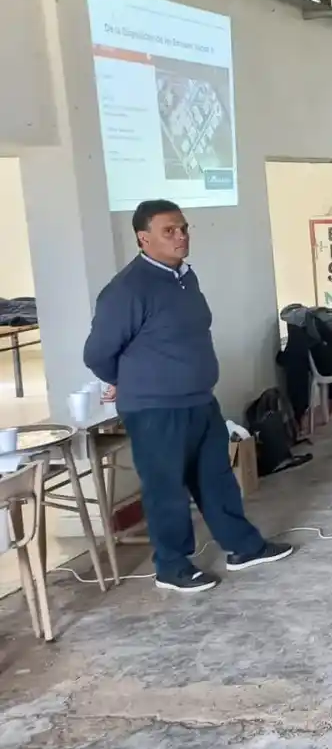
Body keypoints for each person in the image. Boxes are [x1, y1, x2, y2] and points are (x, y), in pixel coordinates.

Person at [83, 200, 292, 593]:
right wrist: (129, 379)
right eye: (169, 231)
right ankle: (171, 566)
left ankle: (243, 547)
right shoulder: (128, 290)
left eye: (183, 228)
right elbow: (97, 353)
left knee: (216, 478)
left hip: (198, 399)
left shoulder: (184, 277)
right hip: (156, 408)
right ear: (143, 238)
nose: (181, 236)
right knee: (166, 488)